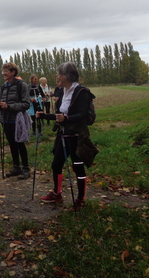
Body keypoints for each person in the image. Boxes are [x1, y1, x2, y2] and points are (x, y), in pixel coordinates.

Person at [37, 62, 91, 210]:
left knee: (78, 167)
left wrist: (66, 119)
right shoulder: (62, 92)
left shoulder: (82, 92)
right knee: (56, 164)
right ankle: (57, 194)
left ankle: (80, 199)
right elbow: (59, 115)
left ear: (66, 76)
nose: (56, 77)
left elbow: (82, 114)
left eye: (58, 74)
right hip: (63, 135)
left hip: (77, 136)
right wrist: (44, 116)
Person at [0, 63, 31, 180]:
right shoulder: (4, 86)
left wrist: (9, 106)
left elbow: (26, 104)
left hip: (17, 120)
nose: (3, 73)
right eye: (3, 71)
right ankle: (16, 167)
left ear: (13, 72)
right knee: (12, 144)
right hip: (5, 119)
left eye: (6, 71)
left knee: (20, 143)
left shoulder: (22, 85)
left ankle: (26, 168)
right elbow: (1, 101)